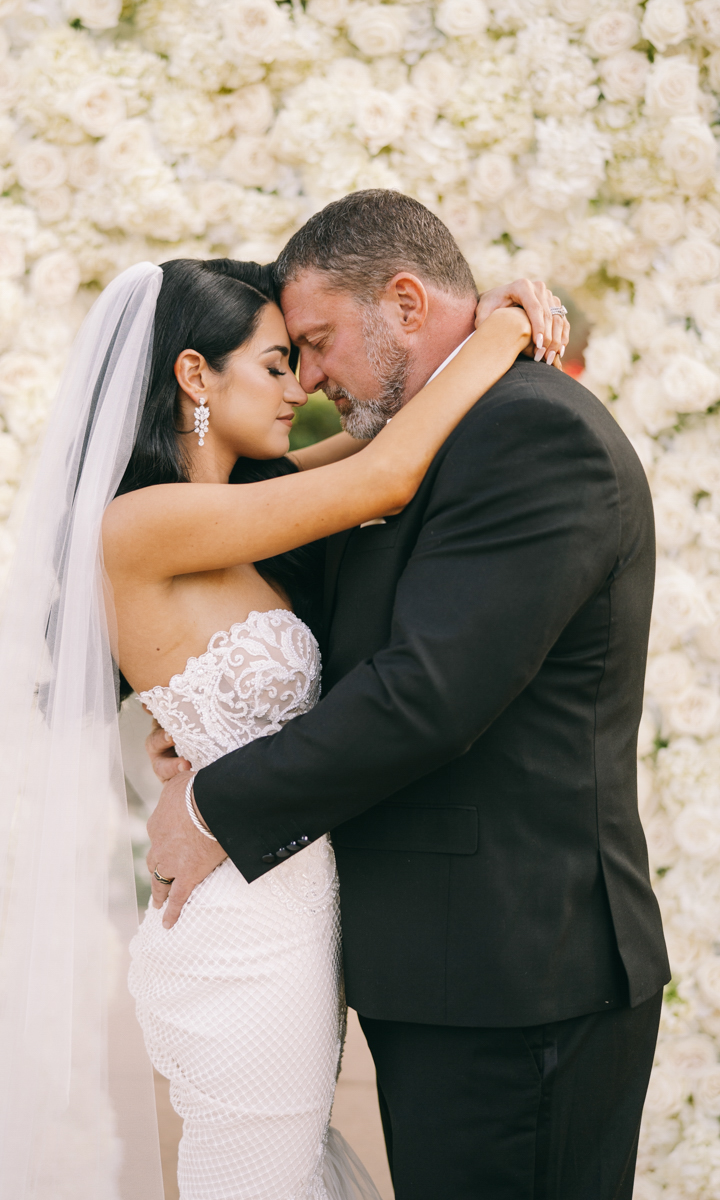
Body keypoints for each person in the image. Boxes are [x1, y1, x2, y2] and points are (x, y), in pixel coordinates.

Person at [146, 190, 671, 1200]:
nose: (308, 377)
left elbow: (423, 694)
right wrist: (181, 729)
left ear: (402, 300)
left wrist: (214, 807)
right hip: (441, 968)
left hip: (523, 972)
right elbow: (258, 589)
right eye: (284, 356)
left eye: (316, 341)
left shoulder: (531, 437)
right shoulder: (410, 444)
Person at [101, 254, 548, 1200]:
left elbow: (385, 438)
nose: (299, 385)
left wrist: (459, 338)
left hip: (291, 911)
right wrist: (503, 328)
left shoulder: (237, 509)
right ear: (194, 375)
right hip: (236, 935)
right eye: (274, 363)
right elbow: (384, 475)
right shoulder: (142, 523)